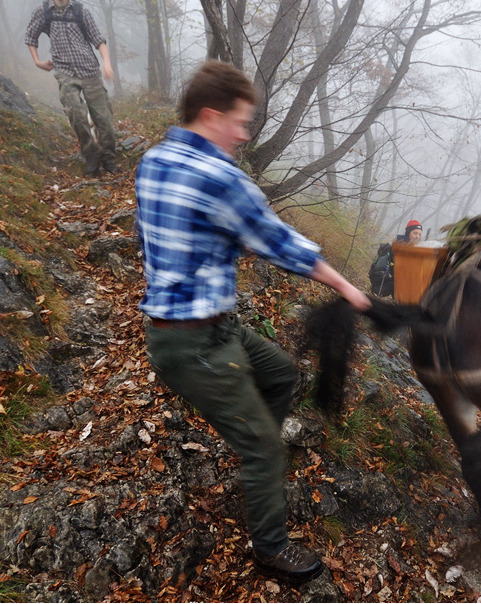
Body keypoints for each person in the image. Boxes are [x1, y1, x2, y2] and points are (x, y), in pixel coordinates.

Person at [135, 61, 371, 580]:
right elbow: (280, 242)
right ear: (210, 115)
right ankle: (270, 548)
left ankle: (249, 446)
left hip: (201, 328)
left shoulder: (153, 160)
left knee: (281, 373)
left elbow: (152, 237)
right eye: (240, 122)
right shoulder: (219, 178)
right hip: (195, 343)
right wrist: (345, 285)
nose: (244, 134)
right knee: (267, 449)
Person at [25, 0, 118, 176]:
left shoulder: (80, 11)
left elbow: (98, 40)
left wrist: (107, 63)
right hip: (65, 72)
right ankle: (91, 157)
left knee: (103, 118)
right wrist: (37, 61)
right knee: (77, 115)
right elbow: (31, 37)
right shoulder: (43, 11)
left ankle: (109, 158)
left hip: (90, 70)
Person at [368, 220, 422, 297]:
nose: (417, 236)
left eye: (419, 234)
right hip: (397, 286)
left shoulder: (411, 248)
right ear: (408, 233)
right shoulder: (400, 247)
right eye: (415, 233)